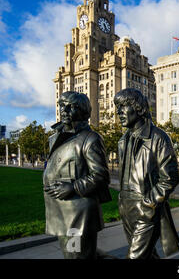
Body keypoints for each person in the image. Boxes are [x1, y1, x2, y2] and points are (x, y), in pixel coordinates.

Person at [43, 91, 111, 259]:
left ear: (83, 111)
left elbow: (101, 175)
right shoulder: (55, 137)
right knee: (76, 253)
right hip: (59, 209)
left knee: (76, 255)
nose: (64, 110)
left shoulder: (90, 139)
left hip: (77, 213)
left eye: (71, 107)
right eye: (61, 105)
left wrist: (73, 187)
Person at [114, 88, 179, 259]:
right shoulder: (122, 141)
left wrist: (149, 203)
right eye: (117, 108)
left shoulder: (158, 137)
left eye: (123, 106)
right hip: (126, 207)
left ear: (138, 108)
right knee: (148, 255)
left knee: (135, 256)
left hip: (146, 207)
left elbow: (170, 177)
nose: (119, 112)